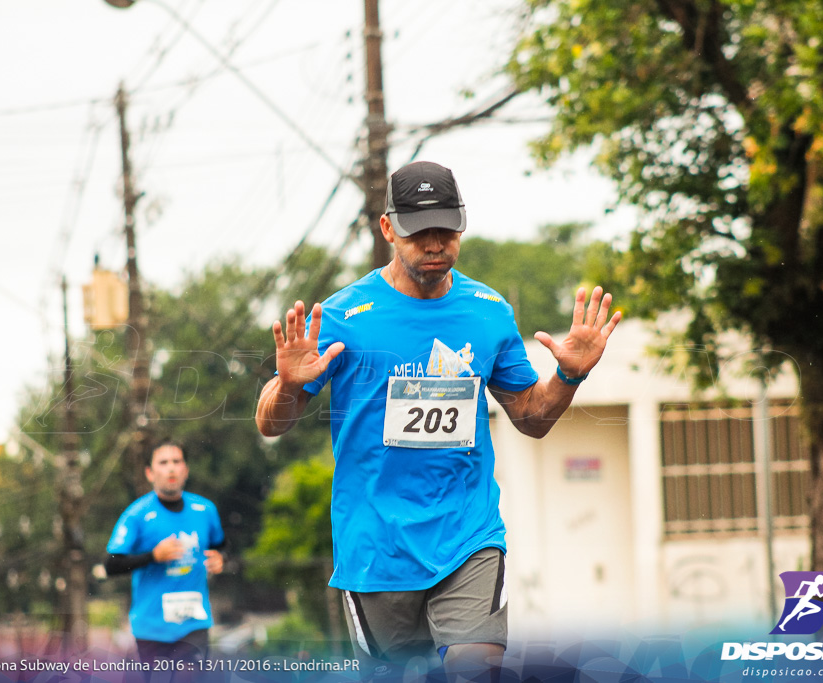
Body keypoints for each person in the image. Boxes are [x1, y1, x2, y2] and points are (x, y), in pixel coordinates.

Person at [255, 160, 621, 681]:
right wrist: (289, 384)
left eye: (446, 229)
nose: (434, 243)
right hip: (376, 547)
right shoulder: (341, 316)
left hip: (467, 536)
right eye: (418, 231)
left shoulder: (488, 310)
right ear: (388, 229)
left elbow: (532, 418)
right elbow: (270, 423)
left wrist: (568, 376)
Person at [105, 441, 226, 674]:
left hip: (194, 624)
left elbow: (223, 547)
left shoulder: (205, 510)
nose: (171, 468)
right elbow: (111, 565)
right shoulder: (136, 515)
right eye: (163, 462)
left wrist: (222, 559)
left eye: (176, 461)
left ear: (186, 470)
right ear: (150, 473)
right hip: (152, 628)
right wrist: (153, 556)